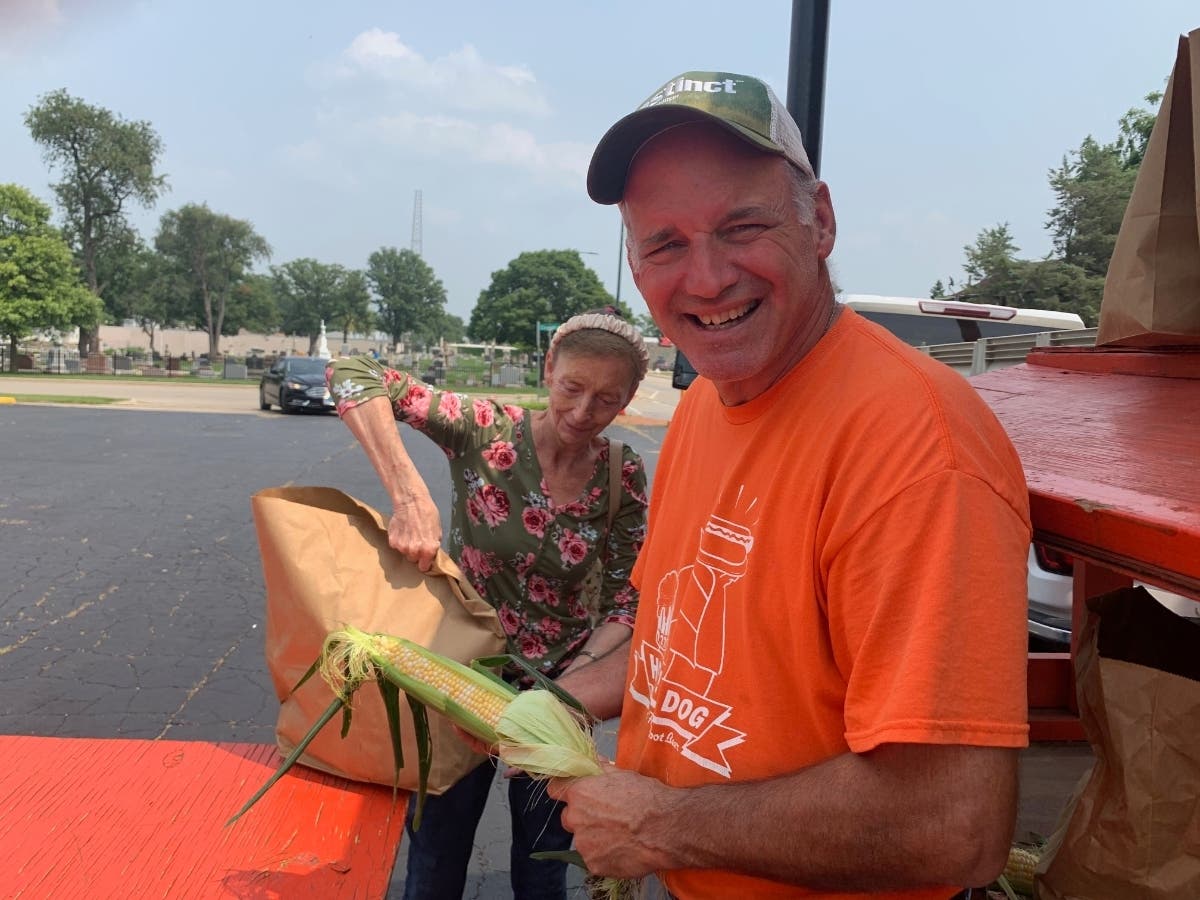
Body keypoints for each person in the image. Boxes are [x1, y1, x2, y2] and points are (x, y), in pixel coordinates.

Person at [545, 71, 1033, 899]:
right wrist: (546, 698)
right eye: (664, 244)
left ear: (822, 224)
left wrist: (660, 823)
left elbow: (951, 822)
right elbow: (674, 638)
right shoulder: (706, 406)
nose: (704, 280)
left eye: (742, 226)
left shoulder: (913, 446)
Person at [326, 312, 649, 900]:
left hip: (561, 686)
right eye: (571, 388)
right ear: (548, 369)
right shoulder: (484, 429)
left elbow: (630, 596)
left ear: (628, 400)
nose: (582, 413)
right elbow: (352, 371)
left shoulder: (620, 472)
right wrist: (408, 491)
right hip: (460, 672)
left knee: (543, 860)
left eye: (606, 399)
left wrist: (571, 686)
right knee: (437, 851)